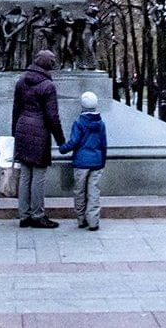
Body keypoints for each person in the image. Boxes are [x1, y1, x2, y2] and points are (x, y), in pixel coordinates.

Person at [11, 49, 67, 228]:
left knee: (26, 174)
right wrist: (60, 140)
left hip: (22, 129)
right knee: (39, 176)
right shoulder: (48, 86)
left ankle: (24, 215)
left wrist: (15, 132)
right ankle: (38, 215)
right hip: (39, 132)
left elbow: (16, 109)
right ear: (47, 65)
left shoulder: (21, 82)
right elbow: (53, 117)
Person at [60, 89, 108, 230]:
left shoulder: (79, 122)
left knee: (80, 191)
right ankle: (93, 221)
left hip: (81, 163)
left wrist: (63, 148)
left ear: (82, 105)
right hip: (97, 162)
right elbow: (104, 144)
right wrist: (102, 161)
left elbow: (74, 141)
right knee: (94, 192)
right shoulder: (101, 123)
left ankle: (81, 220)